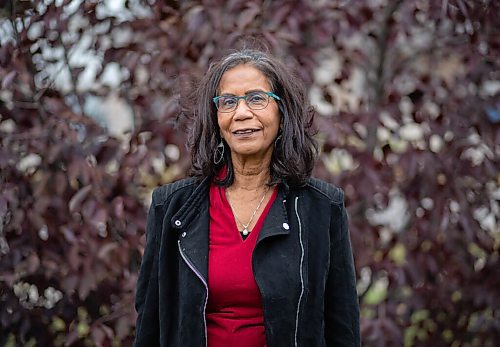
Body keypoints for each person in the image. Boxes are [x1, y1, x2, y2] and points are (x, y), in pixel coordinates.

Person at [133, 49, 360, 347]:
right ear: (216, 119)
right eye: (228, 102)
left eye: (256, 98)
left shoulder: (321, 208)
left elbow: (342, 331)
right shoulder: (173, 208)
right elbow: (149, 326)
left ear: (283, 112)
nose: (241, 113)